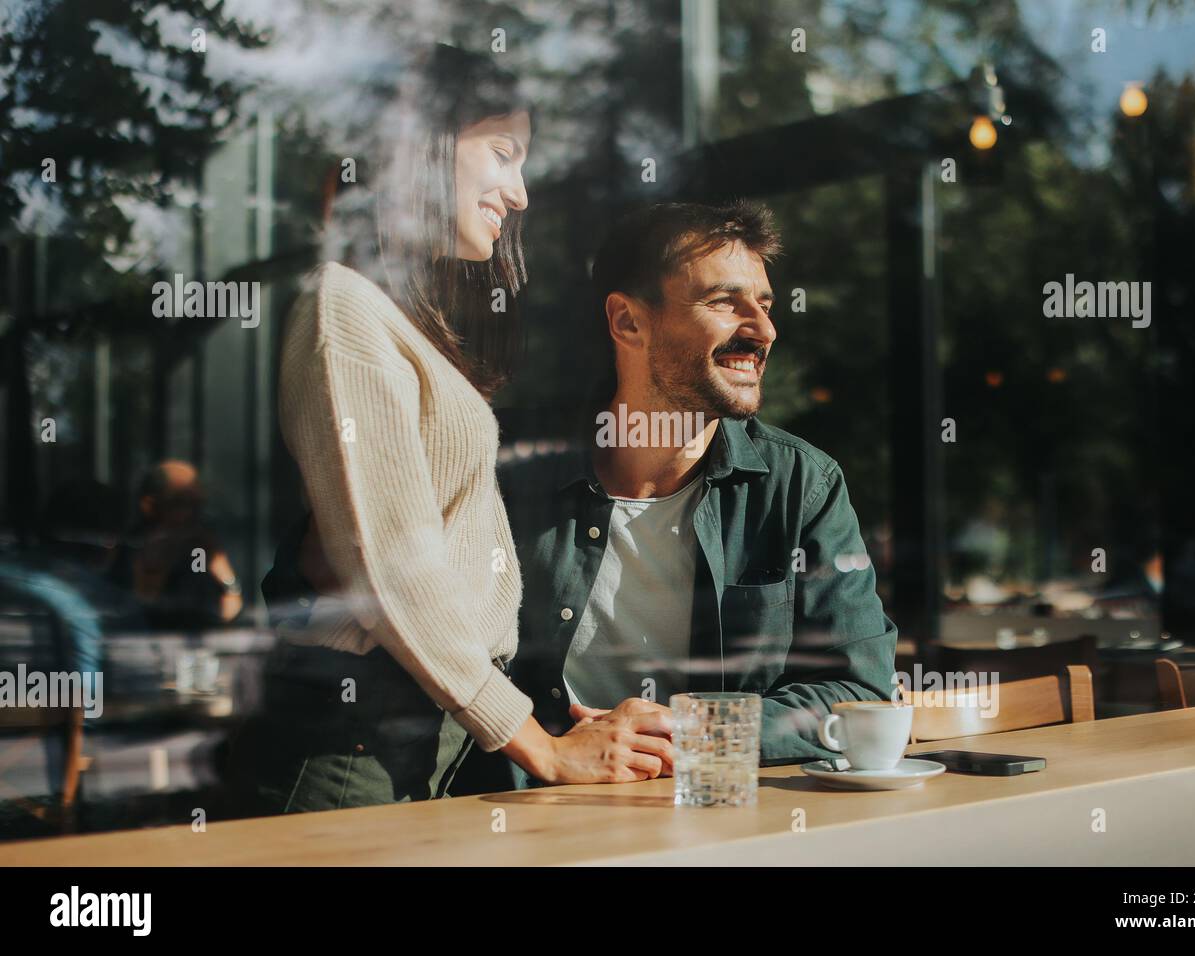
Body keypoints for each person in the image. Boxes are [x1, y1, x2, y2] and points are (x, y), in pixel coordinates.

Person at [229, 45, 671, 817]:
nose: (522, 193)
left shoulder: (398, 322)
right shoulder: (345, 308)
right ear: (425, 146)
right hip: (354, 746)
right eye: (503, 153)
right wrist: (541, 748)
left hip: (420, 733)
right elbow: (393, 567)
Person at [488, 200, 897, 788]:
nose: (763, 330)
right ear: (628, 322)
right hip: (521, 813)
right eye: (725, 302)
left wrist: (697, 730)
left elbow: (861, 690)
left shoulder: (802, 485)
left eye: (765, 304)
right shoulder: (505, 468)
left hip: (716, 817)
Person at [106, 461, 243, 629]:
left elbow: (223, 609)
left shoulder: (196, 550)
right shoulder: (126, 548)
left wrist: (223, 575)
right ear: (149, 506)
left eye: (197, 505)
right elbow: (126, 606)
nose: (191, 515)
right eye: (180, 504)